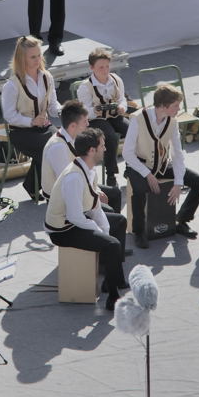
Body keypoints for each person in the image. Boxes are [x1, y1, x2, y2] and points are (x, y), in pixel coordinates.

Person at [45, 128, 128, 311]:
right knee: (112, 244)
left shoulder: (88, 170)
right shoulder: (73, 177)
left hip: (78, 220)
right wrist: (99, 233)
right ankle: (113, 297)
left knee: (119, 222)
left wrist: (104, 230)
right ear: (92, 150)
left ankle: (111, 279)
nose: (105, 149)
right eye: (102, 146)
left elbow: (94, 205)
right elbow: (75, 217)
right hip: (63, 230)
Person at [122, 84, 199, 247]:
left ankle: (182, 220)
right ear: (163, 106)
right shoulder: (138, 119)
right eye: (176, 105)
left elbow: (177, 153)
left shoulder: (172, 122)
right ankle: (138, 231)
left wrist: (178, 182)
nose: (178, 109)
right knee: (140, 190)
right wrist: (147, 175)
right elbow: (127, 153)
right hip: (138, 165)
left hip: (161, 165)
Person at [2, 35, 61, 201]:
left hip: (43, 128)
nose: (38, 59)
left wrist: (65, 111)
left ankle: (34, 185)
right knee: (51, 148)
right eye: (33, 57)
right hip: (21, 132)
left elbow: (53, 106)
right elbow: (9, 116)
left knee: (61, 144)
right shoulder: (12, 85)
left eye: (39, 55)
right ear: (22, 59)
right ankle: (50, 190)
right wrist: (31, 121)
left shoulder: (47, 77)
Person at [41, 100, 123, 215]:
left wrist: (96, 190)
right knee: (113, 216)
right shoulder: (58, 147)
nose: (88, 124)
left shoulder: (75, 137)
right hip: (63, 199)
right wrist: (93, 195)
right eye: (85, 121)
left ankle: (109, 229)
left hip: (79, 185)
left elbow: (88, 170)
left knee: (115, 193)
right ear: (73, 125)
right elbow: (68, 185)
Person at [76, 48, 129, 188]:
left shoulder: (116, 80)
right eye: (100, 67)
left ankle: (131, 166)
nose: (105, 70)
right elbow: (84, 111)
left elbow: (122, 99)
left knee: (131, 130)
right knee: (110, 137)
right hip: (96, 120)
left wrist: (122, 107)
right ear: (92, 68)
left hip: (114, 115)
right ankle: (111, 174)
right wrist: (95, 111)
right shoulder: (85, 87)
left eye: (107, 66)